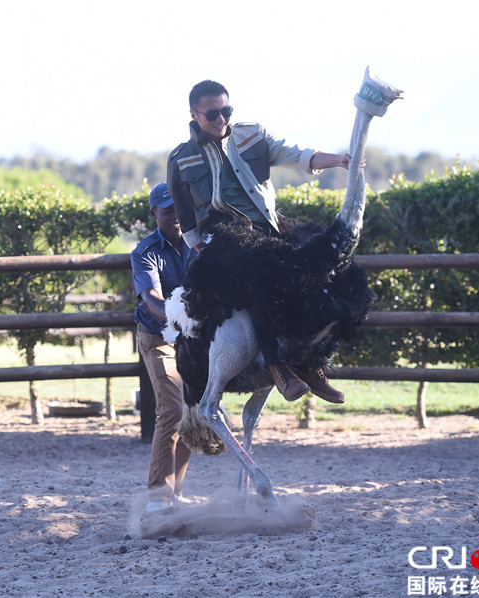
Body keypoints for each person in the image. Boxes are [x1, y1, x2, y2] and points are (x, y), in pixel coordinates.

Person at [167, 79, 355, 405]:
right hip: (223, 240)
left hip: (268, 230)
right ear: (194, 115)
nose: (221, 118)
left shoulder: (252, 135)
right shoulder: (181, 158)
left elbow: (297, 155)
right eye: (212, 114)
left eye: (226, 110)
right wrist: (204, 251)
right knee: (254, 277)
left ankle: (311, 363)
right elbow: (185, 217)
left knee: (322, 268)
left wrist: (339, 160)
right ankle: (276, 366)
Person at [131, 182, 199, 511]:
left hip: (192, 338)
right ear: (154, 214)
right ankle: (158, 497)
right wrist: (180, 317)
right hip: (158, 336)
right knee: (172, 409)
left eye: (179, 209)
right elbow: (152, 298)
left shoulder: (200, 244)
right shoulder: (144, 252)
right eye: (167, 210)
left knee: (192, 409)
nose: (175, 216)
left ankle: (176, 493)